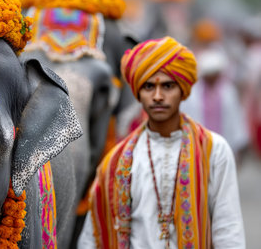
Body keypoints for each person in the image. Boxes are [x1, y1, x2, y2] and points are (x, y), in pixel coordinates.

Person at [78, 36, 245, 248]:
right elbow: (92, 237)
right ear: (138, 92)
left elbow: (228, 228)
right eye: (148, 87)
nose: (158, 96)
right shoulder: (115, 161)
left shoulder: (215, 150)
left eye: (167, 86)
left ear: (182, 91)